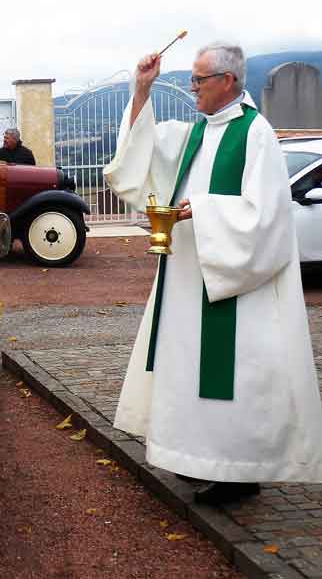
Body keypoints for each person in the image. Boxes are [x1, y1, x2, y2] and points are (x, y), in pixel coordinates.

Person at [104, 42, 322, 505]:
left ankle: (239, 472)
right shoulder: (198, 133)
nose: (192, 88)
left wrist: (200, 212)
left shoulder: (255, 133)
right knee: (188, 371)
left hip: (234, 286)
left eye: (199, 80)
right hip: (188, 280)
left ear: (227, 81)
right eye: (192, 80)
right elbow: (142, 156)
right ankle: (197, 458)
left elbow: (266, 216)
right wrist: (141, 89)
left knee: (234, 377)